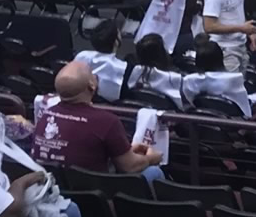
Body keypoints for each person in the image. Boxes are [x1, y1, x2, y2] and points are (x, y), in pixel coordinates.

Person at [31, 61, 164, 183]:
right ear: (92, 85)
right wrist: (151, 158)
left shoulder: (45, 115)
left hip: (56, 189)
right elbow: (130, 167)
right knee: (153, 172)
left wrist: (124, 150)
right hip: (94, 195)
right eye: (92, 74)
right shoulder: (107, 121)